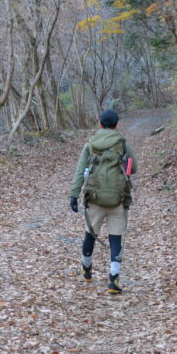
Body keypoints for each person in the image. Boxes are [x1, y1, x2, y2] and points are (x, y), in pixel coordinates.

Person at [69, 109, 137, 294]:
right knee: (116, 237)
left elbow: (79, 170)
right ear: (117, 124)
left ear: (99, 123)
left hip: (95, 197)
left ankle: (87, 270)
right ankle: (113, 280)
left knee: (90, 235)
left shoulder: (90, 145)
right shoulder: (122, 144)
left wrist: (74, 195)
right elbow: (134, 167)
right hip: (117, 198)